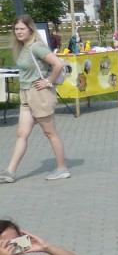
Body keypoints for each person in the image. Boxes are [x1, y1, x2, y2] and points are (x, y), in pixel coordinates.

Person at [0, 15, 72, 183]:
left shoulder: (36, 47)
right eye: (16, 29)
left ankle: (62, 168)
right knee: (21, 133)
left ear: (30, 29)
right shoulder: (23, 47)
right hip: (26, 94)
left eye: (22, 29)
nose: (18, 32)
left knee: (50, 132)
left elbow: (58, 64)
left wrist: (48, 81)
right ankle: (10, 171)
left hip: (38, 94)